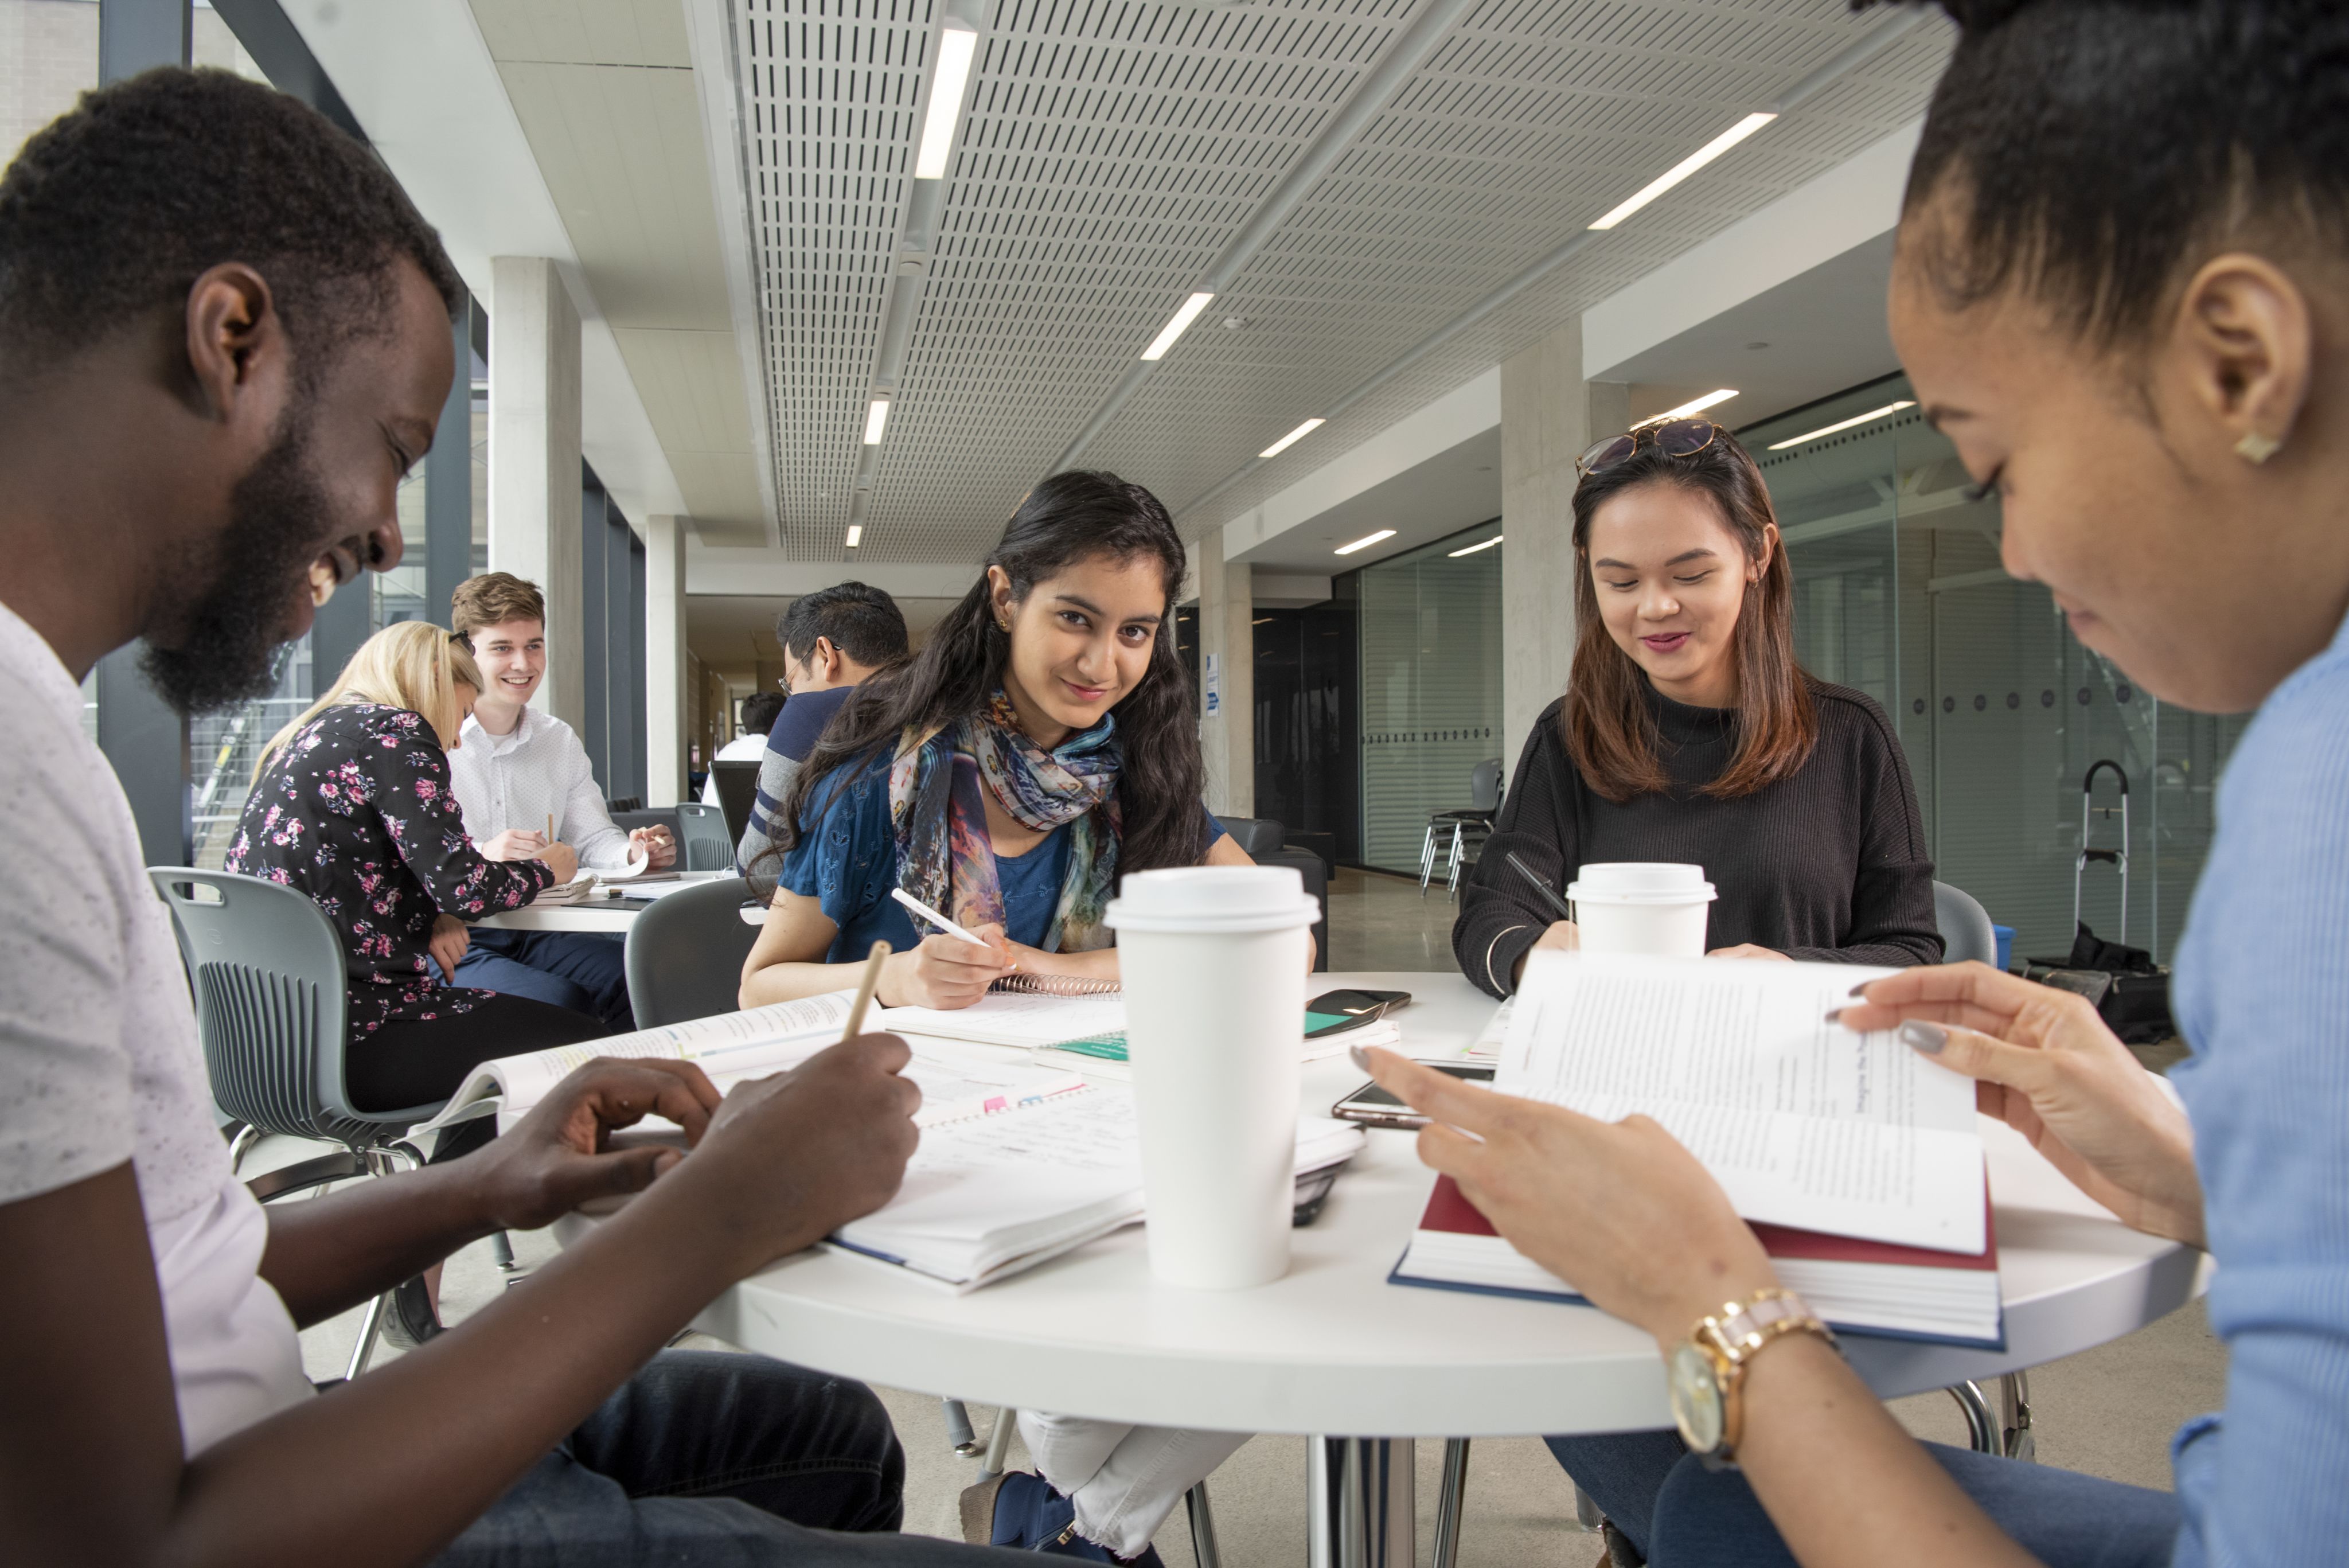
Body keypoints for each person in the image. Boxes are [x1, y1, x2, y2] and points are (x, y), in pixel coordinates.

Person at [0, 66, 1027, 1566]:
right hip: (244, 1511)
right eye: (398, 449)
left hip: (253, 1423)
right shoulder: (18, 775)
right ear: (233, 340)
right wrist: (718, 1211)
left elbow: (182, 1272)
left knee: (827, 1433)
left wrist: (486, 1178)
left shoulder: (49, 735)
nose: (390, 535)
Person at [1364, 2, 2349, 1565]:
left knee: (1713, 1498)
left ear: (2242, 359)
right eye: (1617, 580)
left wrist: (1722, 1311)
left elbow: (1900, 945)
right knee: (1700, 1486)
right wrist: (2189, 1157)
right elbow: (1500, 906)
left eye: (1993, 466)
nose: (2012, 551)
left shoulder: (2308, 821)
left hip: (1798, 1144)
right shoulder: (1575, 733)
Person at [739, 471, 1274, 1561]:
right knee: (1220, 1293)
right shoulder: (881, 777)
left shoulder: (1135, 771)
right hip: (930, 1123)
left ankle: (1072, 1521)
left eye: (1134, 631)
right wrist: (890, 975)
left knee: (1269, 1269)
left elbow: (1282, 936)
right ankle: (1079, 1510)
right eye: (1073, 617)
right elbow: (761, 983)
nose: (1102, 662)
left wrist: (1050, 965)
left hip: (1087, 1104)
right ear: (1003, 596)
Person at [1453, 422, 1940, 998]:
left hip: (1791, 1065)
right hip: (1619, 1067)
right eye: (1621, 581)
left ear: (1758, 554)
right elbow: (1488, 919)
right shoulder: (1568, 737)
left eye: (1690, 574)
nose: (1655, 606)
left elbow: (1912, 952)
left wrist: (1793, 974)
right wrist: (1530, 955)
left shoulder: (1851, 736)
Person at [227, 619, 603, 1113]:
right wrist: (550, 869)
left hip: (268, 1037)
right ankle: (473, 1185)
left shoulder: (311, 734)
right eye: (462, 712)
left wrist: (427, 914)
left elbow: (346, 867)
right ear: (432, 680)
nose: (456, 740)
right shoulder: (397, 731)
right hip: (357, 1033)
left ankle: (457, 1181)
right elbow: (464, 887)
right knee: (585, 1046)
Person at [445, 570, 676, 1032]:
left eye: (533, 645)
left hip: (537, 931)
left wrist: (633, 854)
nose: (522, 663)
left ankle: (634, 1099)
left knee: (641, 977)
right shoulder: (433, 739)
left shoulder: (557, 739)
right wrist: (481, 856)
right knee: (559, 1001)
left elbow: (592, 837)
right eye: (502, 648)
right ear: (467, 652)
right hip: (457, 934)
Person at [737, 580, 912, 894]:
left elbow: (759, 867)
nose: (794, 695)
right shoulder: (955, 701)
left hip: (853, 934)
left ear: (825, 654)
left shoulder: (809, 712)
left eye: (791, 683)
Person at [705, 688, 786, 806]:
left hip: (708, 822)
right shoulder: (775, 753)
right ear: (778, 722)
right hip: (743, 822)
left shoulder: (726, 751)